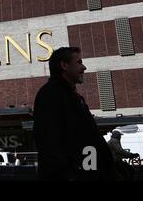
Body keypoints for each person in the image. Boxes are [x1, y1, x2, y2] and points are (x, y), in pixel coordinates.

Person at [33, 47, 115, 181]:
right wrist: (71, 176)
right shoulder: (50, 94)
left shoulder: (74, 97)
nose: (84, 67)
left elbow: (88, 140)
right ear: (64, 65)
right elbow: (49, 140)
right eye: (79, 62)